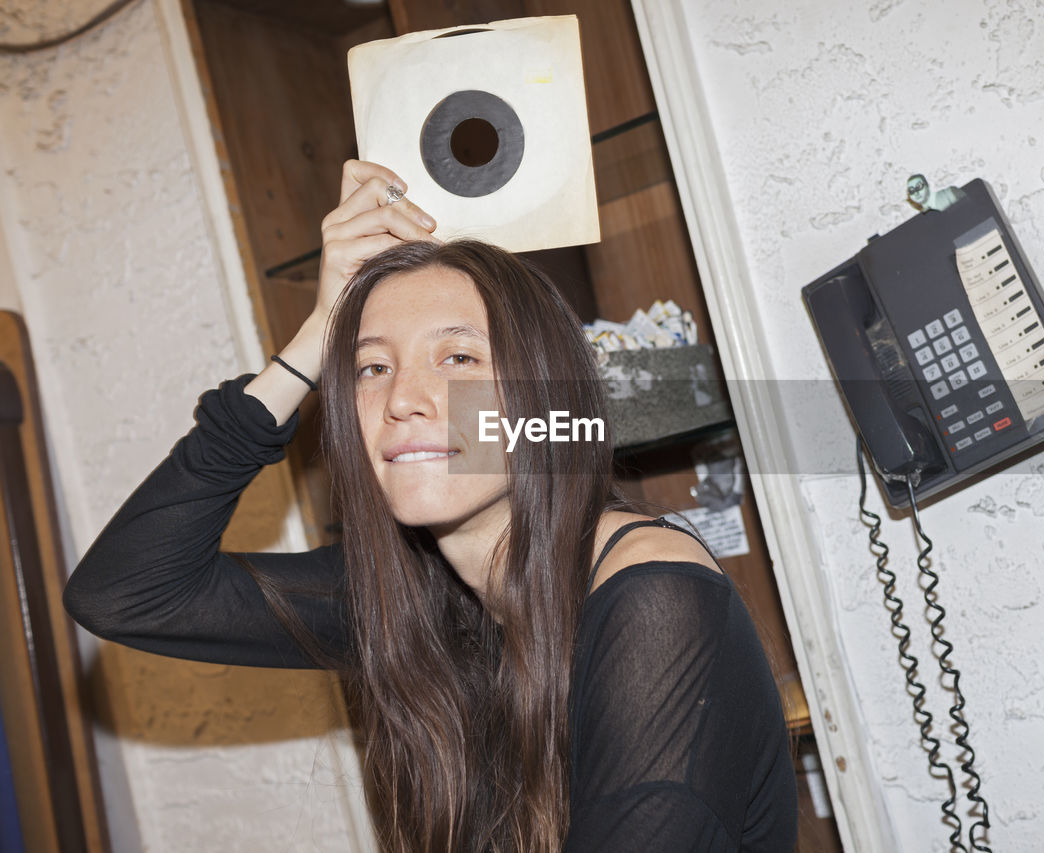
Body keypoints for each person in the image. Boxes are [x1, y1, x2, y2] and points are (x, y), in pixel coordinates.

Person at [63, 161, 798, 852]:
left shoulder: (655, 603)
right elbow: (126, 592)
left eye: (458, 359)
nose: (401, 400)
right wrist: (318, 335)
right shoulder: (409, 597)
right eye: (372, 367)